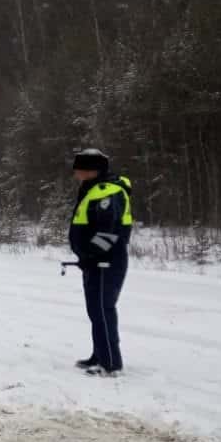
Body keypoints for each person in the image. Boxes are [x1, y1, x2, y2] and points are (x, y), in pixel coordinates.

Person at [68, 149, 133, 376]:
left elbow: (109, 232)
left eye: (78, 169)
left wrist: (91, 256)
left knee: (103, 310)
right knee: (96, 311)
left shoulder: (108, 193)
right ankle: (100, 354)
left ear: (91, 170)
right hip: (96, 261)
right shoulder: (94, 189)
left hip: (106, 261)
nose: (75, 173)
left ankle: (110, 363)